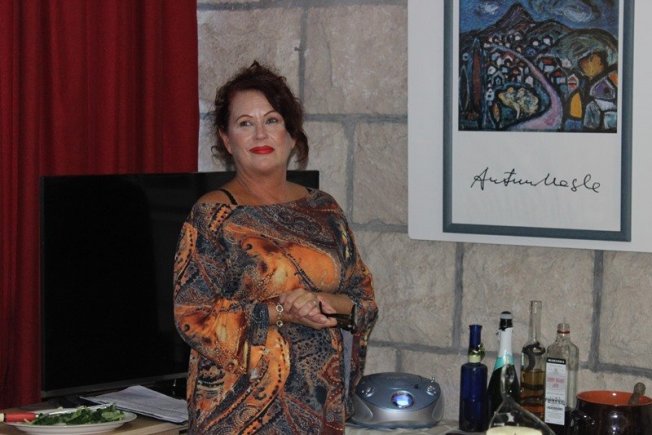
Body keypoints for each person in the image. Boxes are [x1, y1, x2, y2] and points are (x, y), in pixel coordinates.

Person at [173, 61, 378, 434]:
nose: (260, 134)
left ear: (291, 133)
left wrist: (322, 303)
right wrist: (281, 310)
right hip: (238, 416)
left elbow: (363, 302)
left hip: (318, 408)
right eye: (245, 123)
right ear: (226, 139)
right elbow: (193, 317)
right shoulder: (211, 215)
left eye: (271, 120)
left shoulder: (324, 209)